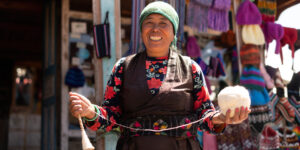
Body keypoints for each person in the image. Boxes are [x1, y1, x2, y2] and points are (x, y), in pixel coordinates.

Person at [69, 1, 250, 150]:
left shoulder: (191, 69)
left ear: (173, 34)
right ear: (141, 31)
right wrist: (90, 112)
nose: (155, 29)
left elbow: (206, 118)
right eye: (149, 22)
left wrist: (222, 118)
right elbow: (111, 120)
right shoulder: (123, 68)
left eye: (163, 23)